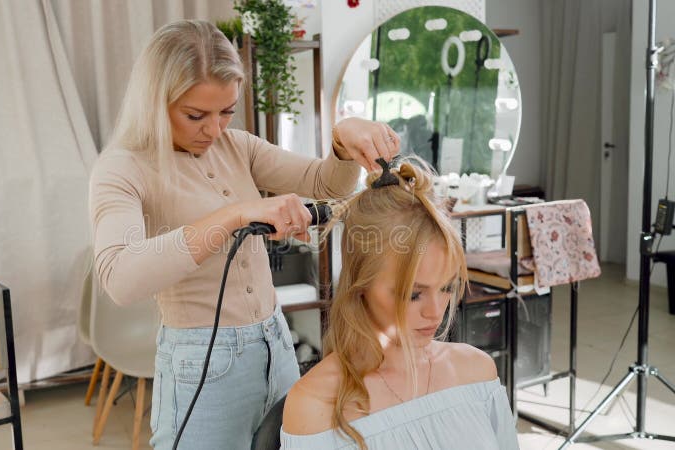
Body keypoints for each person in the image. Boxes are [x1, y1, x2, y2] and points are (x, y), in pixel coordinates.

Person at [89, 20, 399, 450]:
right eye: (195, 115)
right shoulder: (123, 168)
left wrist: (344, 144)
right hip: (202, 362)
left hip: (275, 343)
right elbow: (121, 278)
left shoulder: (238, 146)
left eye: (227, 111)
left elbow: (325, 183)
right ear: (153, 101)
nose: (214, 130)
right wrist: (234, 215)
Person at [280, 160, 520, 449]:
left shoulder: (476, 372)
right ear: (361, 286)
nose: (436, 312)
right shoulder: (315, 405)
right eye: (413, 294)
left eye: (446, 287)